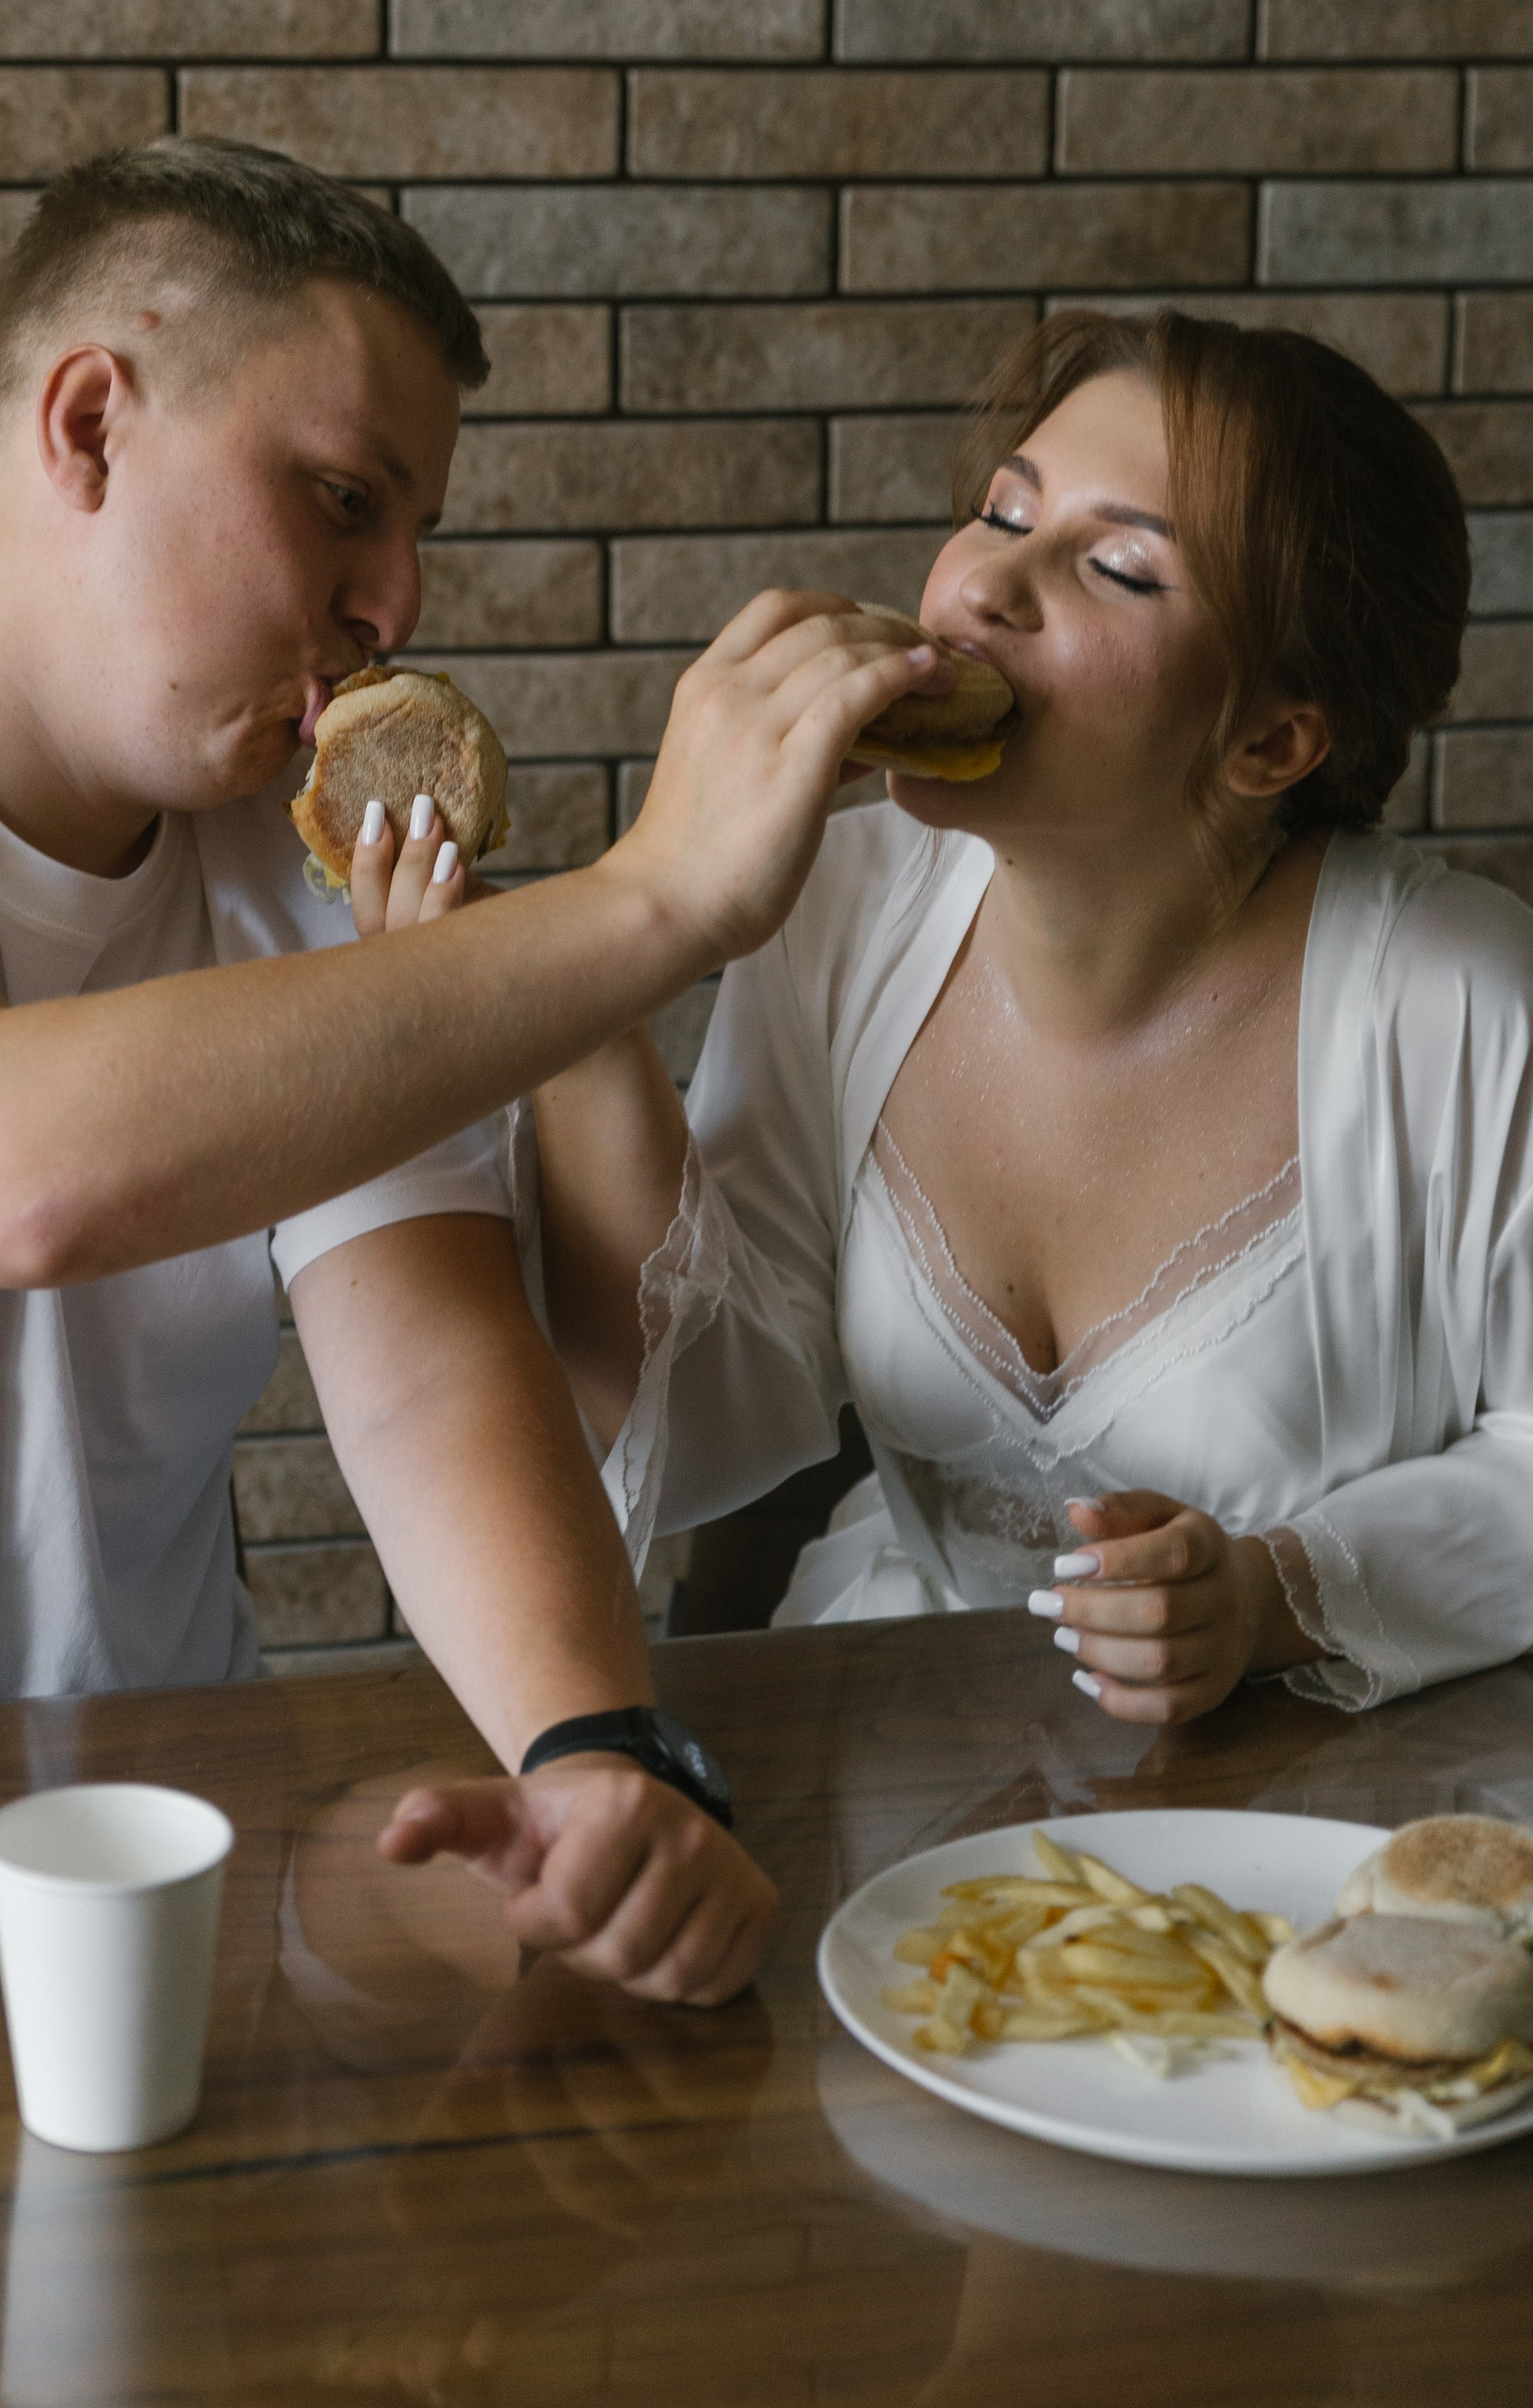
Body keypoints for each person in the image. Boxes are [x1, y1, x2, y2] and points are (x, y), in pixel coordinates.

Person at [0, 136, 944, 2007]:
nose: (391, 600)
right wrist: (657, 902)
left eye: (408, 538)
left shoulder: (294, 868)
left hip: (155, 1891)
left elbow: (426, 1364)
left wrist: (595, 1761)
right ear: (87, 423)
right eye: (336, 500)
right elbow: (10, 1170)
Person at [517, 308, 1533, 1726]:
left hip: (1319, 1780)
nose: (988, 583)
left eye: (1118, 567)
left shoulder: (1465, 998)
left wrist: (1274, 1596)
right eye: (1004, 509)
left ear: (1270, 741)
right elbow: (704, 1426)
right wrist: (574, 988)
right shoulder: (840, 905)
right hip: (903, 1729)